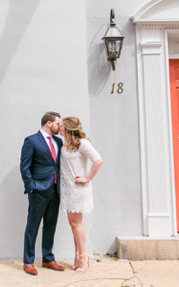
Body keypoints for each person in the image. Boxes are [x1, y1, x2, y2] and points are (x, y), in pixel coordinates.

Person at [20, 111, 66, 276]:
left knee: (50, 225)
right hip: (39, 190)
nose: (59, 127)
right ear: (49, 123)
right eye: (58, 124)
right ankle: (28, 261)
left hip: (55, 190)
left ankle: (48, 258)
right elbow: (24, 166)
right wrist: (31, 186)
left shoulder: (58, 142)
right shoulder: (31, 141)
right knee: (33, 226)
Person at [59, 116, 102, 273]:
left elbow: (98, 160)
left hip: (78, 190)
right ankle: (77, 256)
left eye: (62, 126)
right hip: (68, 189)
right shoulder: (66, 144)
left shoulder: (83, 143)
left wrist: (87, 177)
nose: (59, 128)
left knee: (76, 223)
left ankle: (84, 257)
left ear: (68, 128)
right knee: (72, 223)